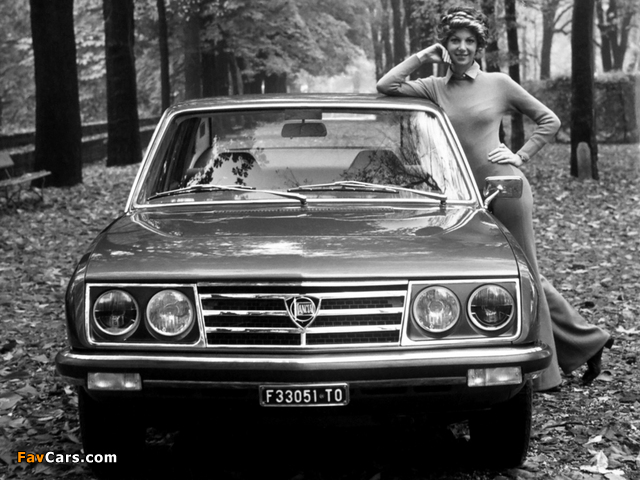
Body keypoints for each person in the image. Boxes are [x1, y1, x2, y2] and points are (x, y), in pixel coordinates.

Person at [376, 6, 613, 391]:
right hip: (461, 196)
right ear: (445, 44)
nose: (462, 47)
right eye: (455, 40)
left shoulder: (499, 83)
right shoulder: (433, 87)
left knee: (525, 273)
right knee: (503, 276)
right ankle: (589, 342)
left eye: (470, 41)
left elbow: (549, 120)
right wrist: (424, 56)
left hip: (505, 188)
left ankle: (547, 375)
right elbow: (385, 86)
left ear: (479, 46)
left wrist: (520, 156)